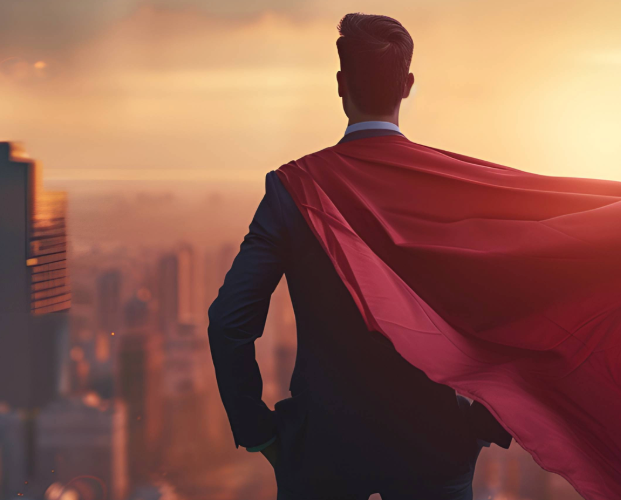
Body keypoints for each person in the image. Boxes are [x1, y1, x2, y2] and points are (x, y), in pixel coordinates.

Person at [207, 13, 511, 500]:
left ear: (340, 84)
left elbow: (228, 321)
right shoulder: (450, 190)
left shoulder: (292, 190)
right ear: (407, 86)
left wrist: (258, 431)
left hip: (321, 453)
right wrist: (483, 421)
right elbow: (515, 311)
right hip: (435, 450)